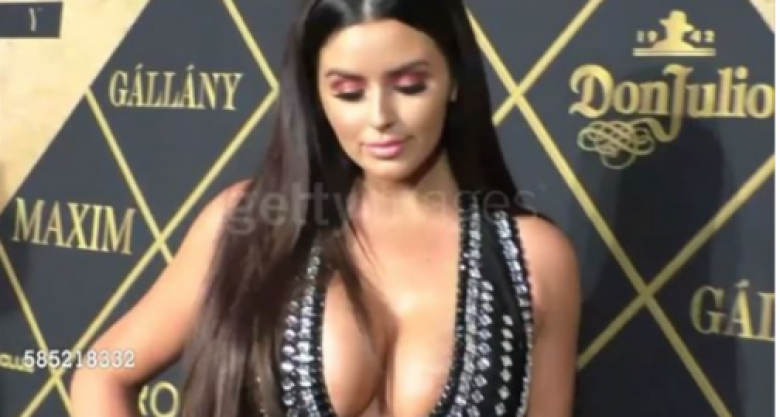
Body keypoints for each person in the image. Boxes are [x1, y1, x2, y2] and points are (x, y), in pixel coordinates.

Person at [69, 0, 581, 416]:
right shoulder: (249, 222)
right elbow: (104, 371)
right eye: (349, 92)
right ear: (316, 96)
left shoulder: (535, 258)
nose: (380, 117)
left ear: (455, 80)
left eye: (409, 86)